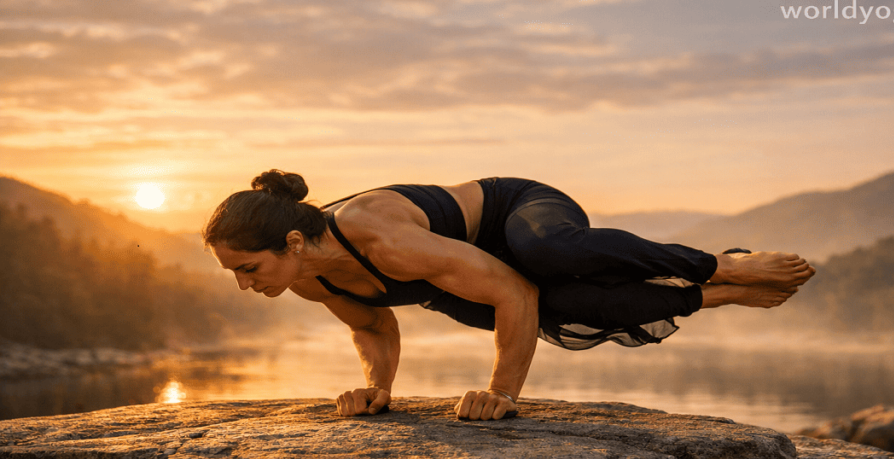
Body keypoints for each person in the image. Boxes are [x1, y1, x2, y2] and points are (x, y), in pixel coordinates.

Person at [203, 170, 815, 421]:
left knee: (554, 260)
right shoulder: (311, 278)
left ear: (291, 240)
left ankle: (720, 263)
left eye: (249, 266)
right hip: (450, 276)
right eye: (234, 272)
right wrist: (379, 389)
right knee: (571, 312)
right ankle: (722, 296)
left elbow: (514, 292)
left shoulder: (378, 234)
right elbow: (371, 326)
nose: (243, 283)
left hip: (514, 213)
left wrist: (500, 393)